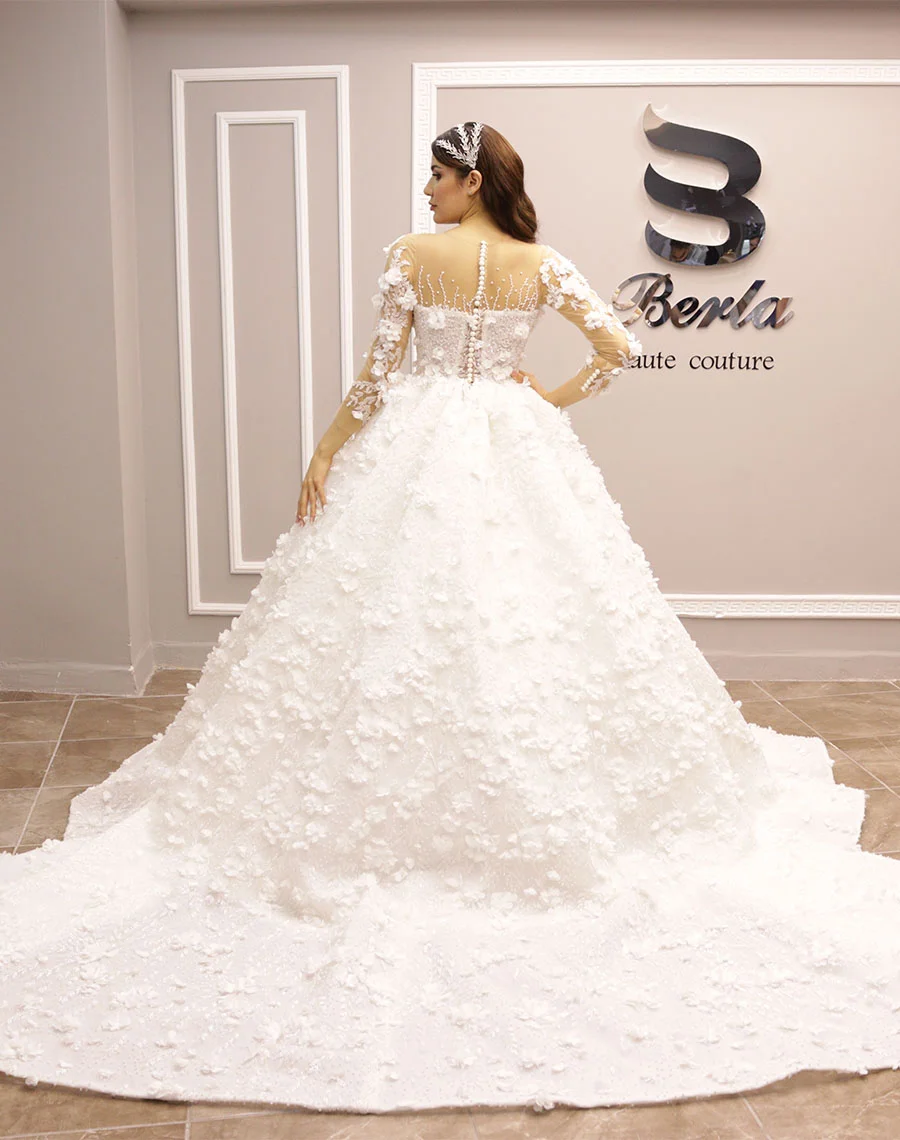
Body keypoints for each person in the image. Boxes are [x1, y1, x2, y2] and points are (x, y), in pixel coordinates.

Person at [0, 121, 898, 1115]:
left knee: (385, 622)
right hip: (514, 442)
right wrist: (546, 400)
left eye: (436, 174)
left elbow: (377, 376)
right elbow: (619, 348)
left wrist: (326, 452)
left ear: (471, 180)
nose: (426, 189)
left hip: (419, 440)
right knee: (534, 613)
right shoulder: (540, 263)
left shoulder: (410, 257)